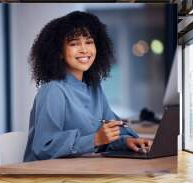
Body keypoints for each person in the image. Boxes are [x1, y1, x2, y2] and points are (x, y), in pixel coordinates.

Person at [23, 11, 152, 162]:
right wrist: (95, 139)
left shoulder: (94, 88)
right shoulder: (53, 91)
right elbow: (44, 147)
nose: (84, 49)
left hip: (81, 171)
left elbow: (113, 128)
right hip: (46, 178)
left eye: (89, 42)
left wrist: (126, 141)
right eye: (74, 44)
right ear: (59, 52)